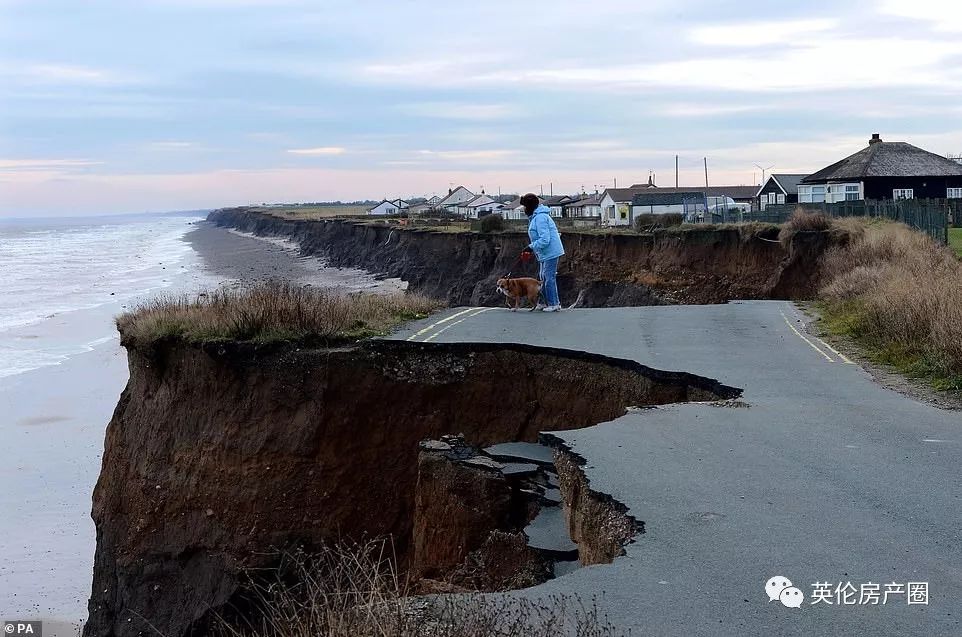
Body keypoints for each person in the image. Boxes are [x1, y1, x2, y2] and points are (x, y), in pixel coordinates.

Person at [520, 193, 564, 312]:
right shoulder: (536, 217)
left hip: (551, 251)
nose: (524, 209)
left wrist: (530, 247)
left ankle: (554, 304)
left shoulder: (540, 218)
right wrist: (532, 248)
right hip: (544, 253)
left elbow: (545, 239)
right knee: (543, 277)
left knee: (548, 278)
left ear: (529, 206)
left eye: (525, 206)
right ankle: (544, 302)